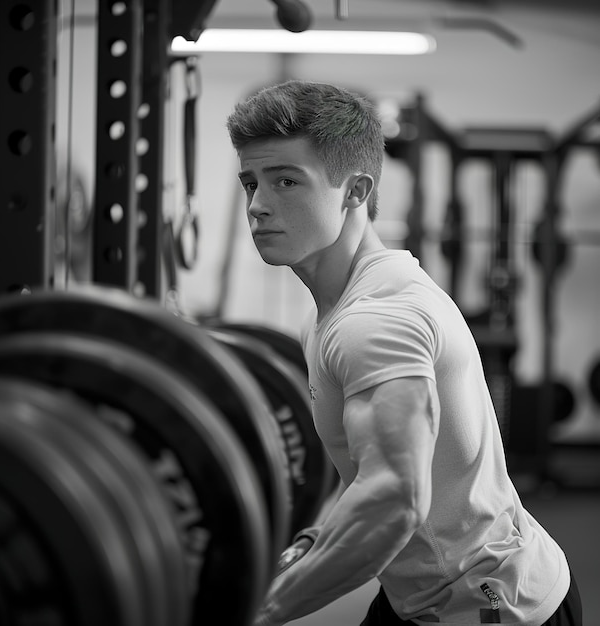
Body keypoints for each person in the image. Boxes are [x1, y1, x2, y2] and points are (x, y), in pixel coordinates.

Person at [225, 80, 582, 626]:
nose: (257, 205)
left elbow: (393, 503)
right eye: (251, 182)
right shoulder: (334, 312)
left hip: (488, 605)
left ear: (355, 191)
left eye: (286, 181)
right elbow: (376, 481)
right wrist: (315, 540)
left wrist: (259, 610)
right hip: (420, 591)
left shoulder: (374, 323)